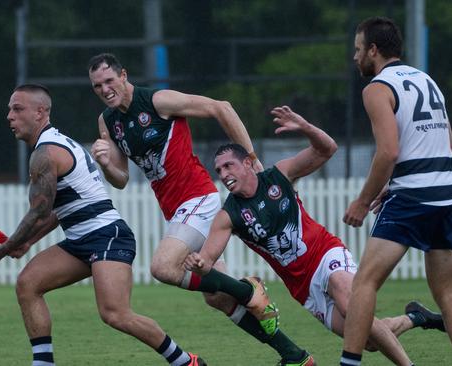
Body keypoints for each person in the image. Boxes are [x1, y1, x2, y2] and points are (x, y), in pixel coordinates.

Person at [87, 53, 314, 365]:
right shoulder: (107, 122)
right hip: (177, 209)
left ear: (124, 75)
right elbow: (122, 179)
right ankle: (295, 355)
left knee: (163, 267)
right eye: (97, 85)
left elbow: (222, 108)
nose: (104, 89)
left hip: (198, 199)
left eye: (109, 81)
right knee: (218, 297)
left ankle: (249, 291)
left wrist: (252, 159)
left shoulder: (158, 101)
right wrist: (105, 163)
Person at [184, 105, 445, 365]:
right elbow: (206, 260)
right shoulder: (228, 214)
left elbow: (327, 149)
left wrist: (306, 128)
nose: (224, 174)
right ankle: (417, 317)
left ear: (249, 164)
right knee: (366, 338)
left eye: (229, 166)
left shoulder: (279, 176)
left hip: (324, 254)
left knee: (349, 304)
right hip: (303, 287)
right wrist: (199, 263)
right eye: (218, 170)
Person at [0, 84, 206, 366]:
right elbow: (61, 210)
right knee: (28, 284)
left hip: (108, 236)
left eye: (17, 108)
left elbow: (40, 210)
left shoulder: (47, 152)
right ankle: (43, 363)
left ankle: (184, 361)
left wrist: (6, 247)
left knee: (115, 314)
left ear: (40, 112)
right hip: (81, 241)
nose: (9, 115)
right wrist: (27, 242)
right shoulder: (56, 144)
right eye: (10, 109)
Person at [340, 17, 452, 366]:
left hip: (413, 200)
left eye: (358, 49)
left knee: (364, 284)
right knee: (448, 292)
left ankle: (349, 362)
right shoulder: (426, 79)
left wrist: (363, 200)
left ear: (373, 50)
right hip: (448, 195)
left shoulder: (377, 88)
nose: (355, 57)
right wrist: (396, 183)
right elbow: (446, 143)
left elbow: (388, 152)